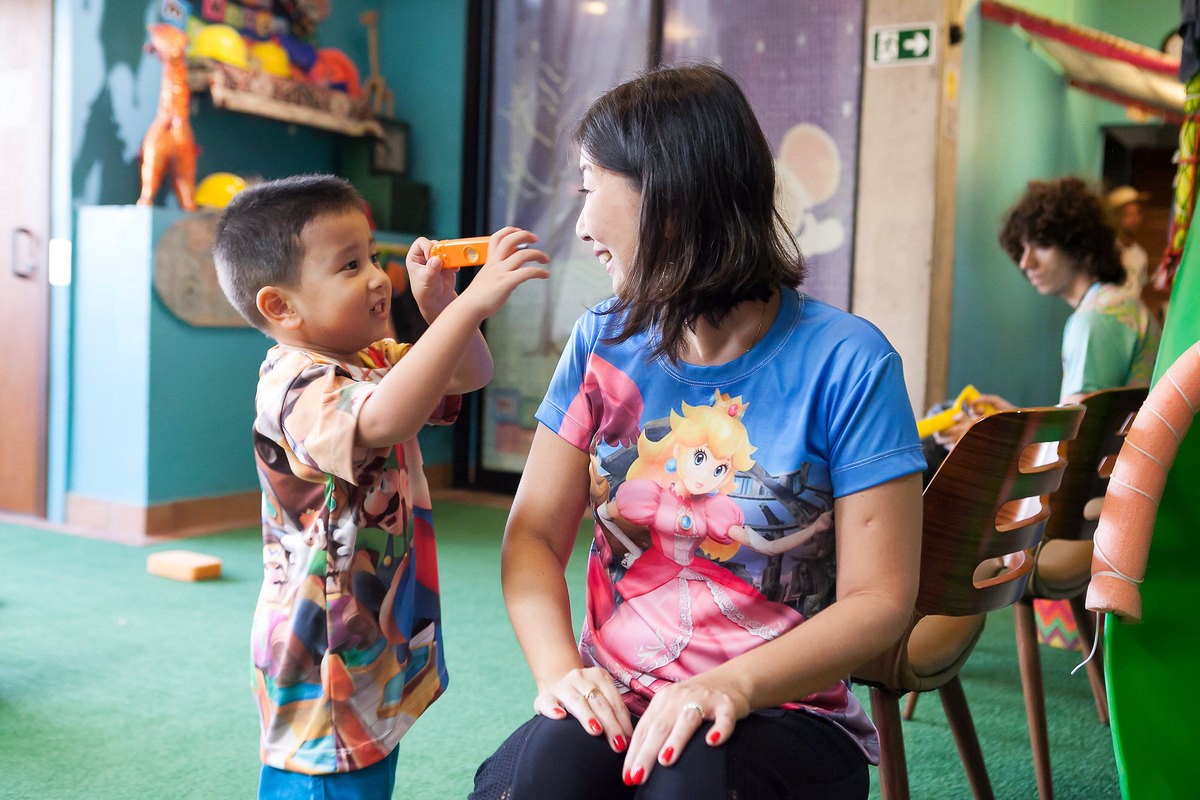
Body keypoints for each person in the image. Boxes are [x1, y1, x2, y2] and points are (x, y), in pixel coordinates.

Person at [471, 64, 925, 800]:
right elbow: (530, 539)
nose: (580, 224)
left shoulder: (850, 361)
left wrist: (731, 685)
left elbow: (880, 599)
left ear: (669, 197)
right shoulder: (600, 340)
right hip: (622, 691)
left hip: (783, 708)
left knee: (688, 778)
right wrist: (564, 676)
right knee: (545, 773)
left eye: (590, 187)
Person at [211, 174, 549, 799]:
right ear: (281, 306)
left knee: (369, 770)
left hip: (371, 628)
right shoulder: (292, 384)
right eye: (348, 266)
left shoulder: (369, 358)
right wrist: (475, 306)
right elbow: (386, 418)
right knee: (330, 779)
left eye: (372, 257)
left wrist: (442, 306)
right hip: (322, 651)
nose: (376, 278)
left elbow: (470, 374)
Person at [934, 176, 1161, 442]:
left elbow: (1075, 443)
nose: (1025, 262)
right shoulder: (1118, 305)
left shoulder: (1095, 319)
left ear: (1078, 245)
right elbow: (1081, 421)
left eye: (1041, 245)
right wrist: (1013, 417)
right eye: (1022, 248)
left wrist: (988, 434)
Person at [1106, 184, 1151, 297]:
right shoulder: (1108, 250)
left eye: (1137, 213)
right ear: (1115, 217)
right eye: (1128, 214)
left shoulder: (1140, 254)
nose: (1135, 219)